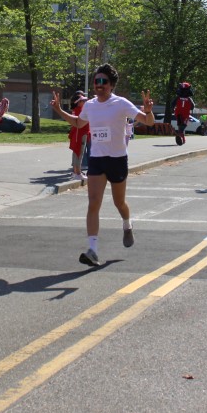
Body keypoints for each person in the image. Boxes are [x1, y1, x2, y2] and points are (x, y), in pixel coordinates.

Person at [50, 63, 155, 267]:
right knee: (93, 202)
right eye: (96, 81)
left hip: (117, 159)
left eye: (103, 81)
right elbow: (78, 123)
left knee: (119, 203)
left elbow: (148, 121)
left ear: (111, 84)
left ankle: (127, 224)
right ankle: (93, 250)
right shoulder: (90, 105)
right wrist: (59, 110)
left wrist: (149, 111)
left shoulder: (121, 103)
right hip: (97, 159)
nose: (99, 85)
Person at [68, 90, 89, 181]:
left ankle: (75, 171)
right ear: (79, 102)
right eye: (83, 100)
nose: (85, 102)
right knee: (79, 153)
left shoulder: (77, 109)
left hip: (78, 133)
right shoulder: (80, 110)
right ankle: (78, 173)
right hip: (80, 133)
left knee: (76, 153)